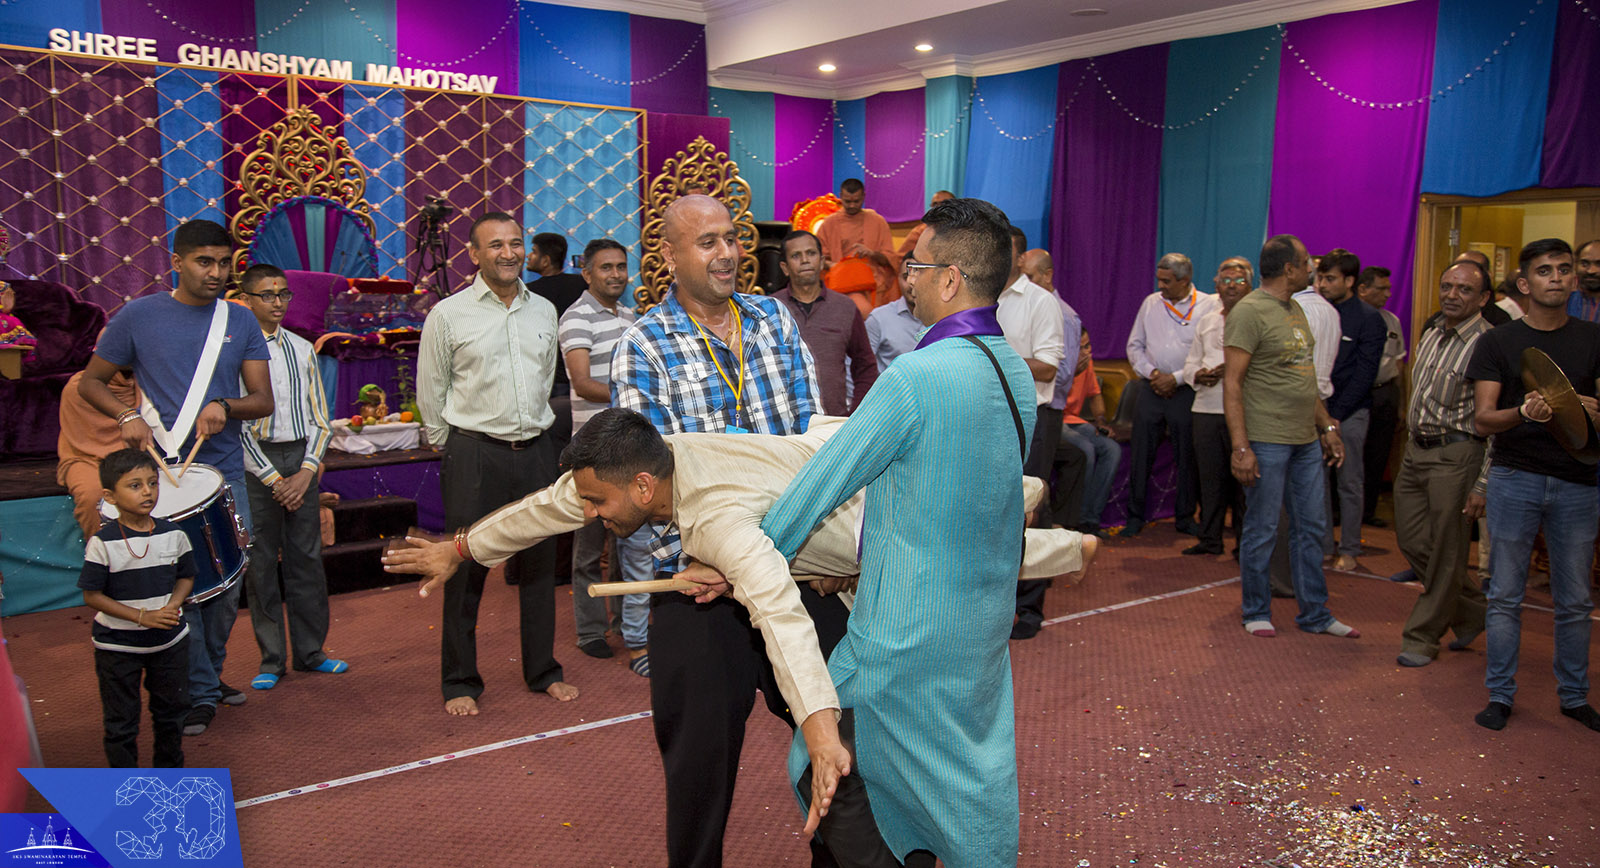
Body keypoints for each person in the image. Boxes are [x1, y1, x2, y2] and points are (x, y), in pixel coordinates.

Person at [761, 196, 1042, 868]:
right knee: (961, 771)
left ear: (950, 278)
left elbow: (823, 483)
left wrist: (749, 555)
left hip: (902, 635)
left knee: (827, 761)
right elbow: (948, 496)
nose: (902, 279)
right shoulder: (1015, 375)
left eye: (914, 266)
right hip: (977, 630)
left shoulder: (917, 374)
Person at [608, 193, 844, 868]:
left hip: (791, 567)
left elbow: (812, 449)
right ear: (671, 257)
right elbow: (645, 488)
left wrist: (800, 546)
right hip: (697, 583)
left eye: (731, 239)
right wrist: (706, 561)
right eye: (707, 242)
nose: (726, 253)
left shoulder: (772, 319)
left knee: (839, 723)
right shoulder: (644, 344)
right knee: (698, 771)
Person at [79, 218, 273, 737]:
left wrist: (225, 405)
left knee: (226, 583)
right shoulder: (139, 316)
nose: (215, 273)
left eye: (224, 263)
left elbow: (262, 400)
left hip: (222, 473)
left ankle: (204, 675)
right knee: (177, 586)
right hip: (159, 475)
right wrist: (125, 417)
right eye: (203, 262)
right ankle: (199, 690)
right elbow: (91, 383)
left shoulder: (241, 319)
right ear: (177, 262)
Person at [418, 212, 574, 716]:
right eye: (495, 245)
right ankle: (460, 680)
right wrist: (457, 449)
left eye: (515, 244)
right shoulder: (448, 314)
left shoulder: (545, 311)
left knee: (539, 568)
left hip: (535, 454)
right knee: (465, 569)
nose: (507, 253)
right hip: (474, 455)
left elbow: (548, 379)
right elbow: (431, 392)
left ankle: (542, 670)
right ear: (475, 253)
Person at [1466, 238, 1600, 733]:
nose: (1559, 277)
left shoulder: (1593, 337)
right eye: (1546, 270)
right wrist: (1523, 411)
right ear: (1524, 283)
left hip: (1578, 484)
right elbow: (1482, 421)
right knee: (1504, 594)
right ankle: (1500, 694)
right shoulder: (1498, 342)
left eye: (1565, 269)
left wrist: (1588, 409)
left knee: (1575, 600)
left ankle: (1573, 697)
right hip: (1514, 478)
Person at [1224, 234, 1360, 640]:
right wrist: (1241, 447)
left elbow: (1304, 378)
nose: (1311, 269)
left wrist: (1328, 427)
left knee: (1312, 527)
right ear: (1288, 269)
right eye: (1305, 263)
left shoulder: (1296, 309)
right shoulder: (1249, 312)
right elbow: (1233, 384)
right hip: (1266, 439)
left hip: (1304, 440)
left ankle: (1315, 613)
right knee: (1263, 528)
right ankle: (1256, 610)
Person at [236, 264, 348, 690]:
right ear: (246, 300)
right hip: (256, 463)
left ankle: (311, 652)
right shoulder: (235, 351)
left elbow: (321, 419)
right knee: (261, 563)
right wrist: (271, 478)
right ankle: (271, 659)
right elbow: (237, 425)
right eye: (267, 295)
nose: (278, 302)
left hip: (300, 458)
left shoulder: (302, 349)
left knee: (306, 560)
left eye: (283, 294)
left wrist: (305, 472)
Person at [558, 238, 653, 675]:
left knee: (627, 542)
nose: (616, 275)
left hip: (628, 451)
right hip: (592, 455)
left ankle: (622, 624)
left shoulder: (631, 317)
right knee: (588, 548)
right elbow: (580, 383)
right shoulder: (576, 318)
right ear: (587, 273)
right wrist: (636, 396)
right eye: (606, 268)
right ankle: (590, 631)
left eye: (621, 267)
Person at [1393, 262, 1492, 668]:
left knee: (1448, 550)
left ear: (1483, 298)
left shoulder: (1489, 344)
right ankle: (1473, 611)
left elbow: (1495, 421)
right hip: (1416, 451)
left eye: (1465, 290)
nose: (1452, 295)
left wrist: (1483, 482)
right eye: (1447, 286)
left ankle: (1422, 635)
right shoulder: (1432, 331)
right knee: (1413, 541)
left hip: (1457, 454)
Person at [79, 449, 194, 768]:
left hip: (168, 643)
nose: (147, 492)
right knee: (121, 723)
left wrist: (172, 605)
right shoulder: (102, 543)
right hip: (117, 645)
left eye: (153, 483)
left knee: (171, 715)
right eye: (135, 485)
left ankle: (168, 778)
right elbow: (92, 595)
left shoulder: (174, 534)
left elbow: (186, 576)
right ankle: (126, 788)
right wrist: (142, 617)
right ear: (109, 496)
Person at [996, 228, 1065, 640]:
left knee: (1033, 509)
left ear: (1021, 258)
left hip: (1034, 417)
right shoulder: (982, 297)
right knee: (999, 510)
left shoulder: (1041, 302)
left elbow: (1048, 367)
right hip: (993, 416)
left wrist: (994, 359)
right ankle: (999, 606)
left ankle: (1032, 607)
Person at [1122, 253, 1218, 537]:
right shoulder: (1151, 303)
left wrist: (1175, 379)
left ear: (1185, 280)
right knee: (1141, 454)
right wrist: (1152, 374)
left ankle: (1185, 517)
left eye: (1167, 281)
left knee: (1186, 456)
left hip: (1186, 390)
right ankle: (1135, 516)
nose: (1161, 286)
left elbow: (1207, 353)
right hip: (1150, 388)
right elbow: (1134, 346)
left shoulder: (1209, 305)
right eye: (1159, 279)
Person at [1317, 249, 1385, 571]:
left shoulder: (1369, 318)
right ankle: (1322, 544)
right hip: (1318, 408)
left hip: (1351, 411)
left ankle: (1349, 549)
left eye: (1330, 279)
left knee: (1349, 481)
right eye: (1320, 277)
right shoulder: (1316, 312)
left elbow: (1364, 374)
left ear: (1350, 280)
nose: (1323, 284)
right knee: (1318, 480)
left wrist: (1337, 415)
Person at [1182, 257, 1252, 556]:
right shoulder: (1207, 320)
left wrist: (1232, 369)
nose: (1231, 287)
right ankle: (1210, 539)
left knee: (1243, 484)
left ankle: (1244, 545)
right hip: (1206, 409)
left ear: (1250, 285)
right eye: (1226, 280)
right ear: (1216, 285)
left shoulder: (1255, 319)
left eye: (1238, 281)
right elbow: (1190, 363)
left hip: (1244, 411)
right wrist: (1198, 375)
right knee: (1209, 479)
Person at [773, 230, 880, 415]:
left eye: (811, 253)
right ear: (784, 267)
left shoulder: (845, 307)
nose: (805, 260)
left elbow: (866, 366)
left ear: (822, 261)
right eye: (796, 255)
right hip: (783, 427)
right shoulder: (770, 308)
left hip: (833, 424)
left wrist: (854, 414)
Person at [57, 367, 142, 539]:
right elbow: (82, 441)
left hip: (137, 454)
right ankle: (104, 557)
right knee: (94, 495)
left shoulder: (146, 384)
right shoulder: (78, 387)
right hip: (86, 457)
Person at [1056, 331, 1120, 535]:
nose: (1084, 352)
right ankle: (1076, 518)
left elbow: (1095, 395)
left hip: (1076, 421)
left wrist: (1101, 421)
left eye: (1088, 347)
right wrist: (1072, 372)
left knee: (1111, 449)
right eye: (1079, 347)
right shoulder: (1058, 363)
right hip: (1055, 420)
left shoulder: (1087, 364)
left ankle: (1091, 520)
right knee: (1085, 449)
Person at [1356, 267, 1404, 528]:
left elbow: (1399, 364)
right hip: (1357, 392)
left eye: (1389, 288)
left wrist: (1401, 404)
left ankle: (1369, 510)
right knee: (1353, 453)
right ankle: (1342, 511)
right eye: (1382, 288)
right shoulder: (1348, 317)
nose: (1388, 294)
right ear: (1363, 289)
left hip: (1385, 392)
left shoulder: (1391, 321)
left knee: (1378, 454)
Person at [864, 292, 921, 372]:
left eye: (917, 278)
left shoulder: (942, 317)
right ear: (898, 279)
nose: (911, 282)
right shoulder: (879, 318)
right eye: (905, 278)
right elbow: (860, 364)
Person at [894, 190, 953, 259]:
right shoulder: (920, 231)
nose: (938, 207)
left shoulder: (962, 228)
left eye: (944, 203)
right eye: (935, 204)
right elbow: (902, 257)